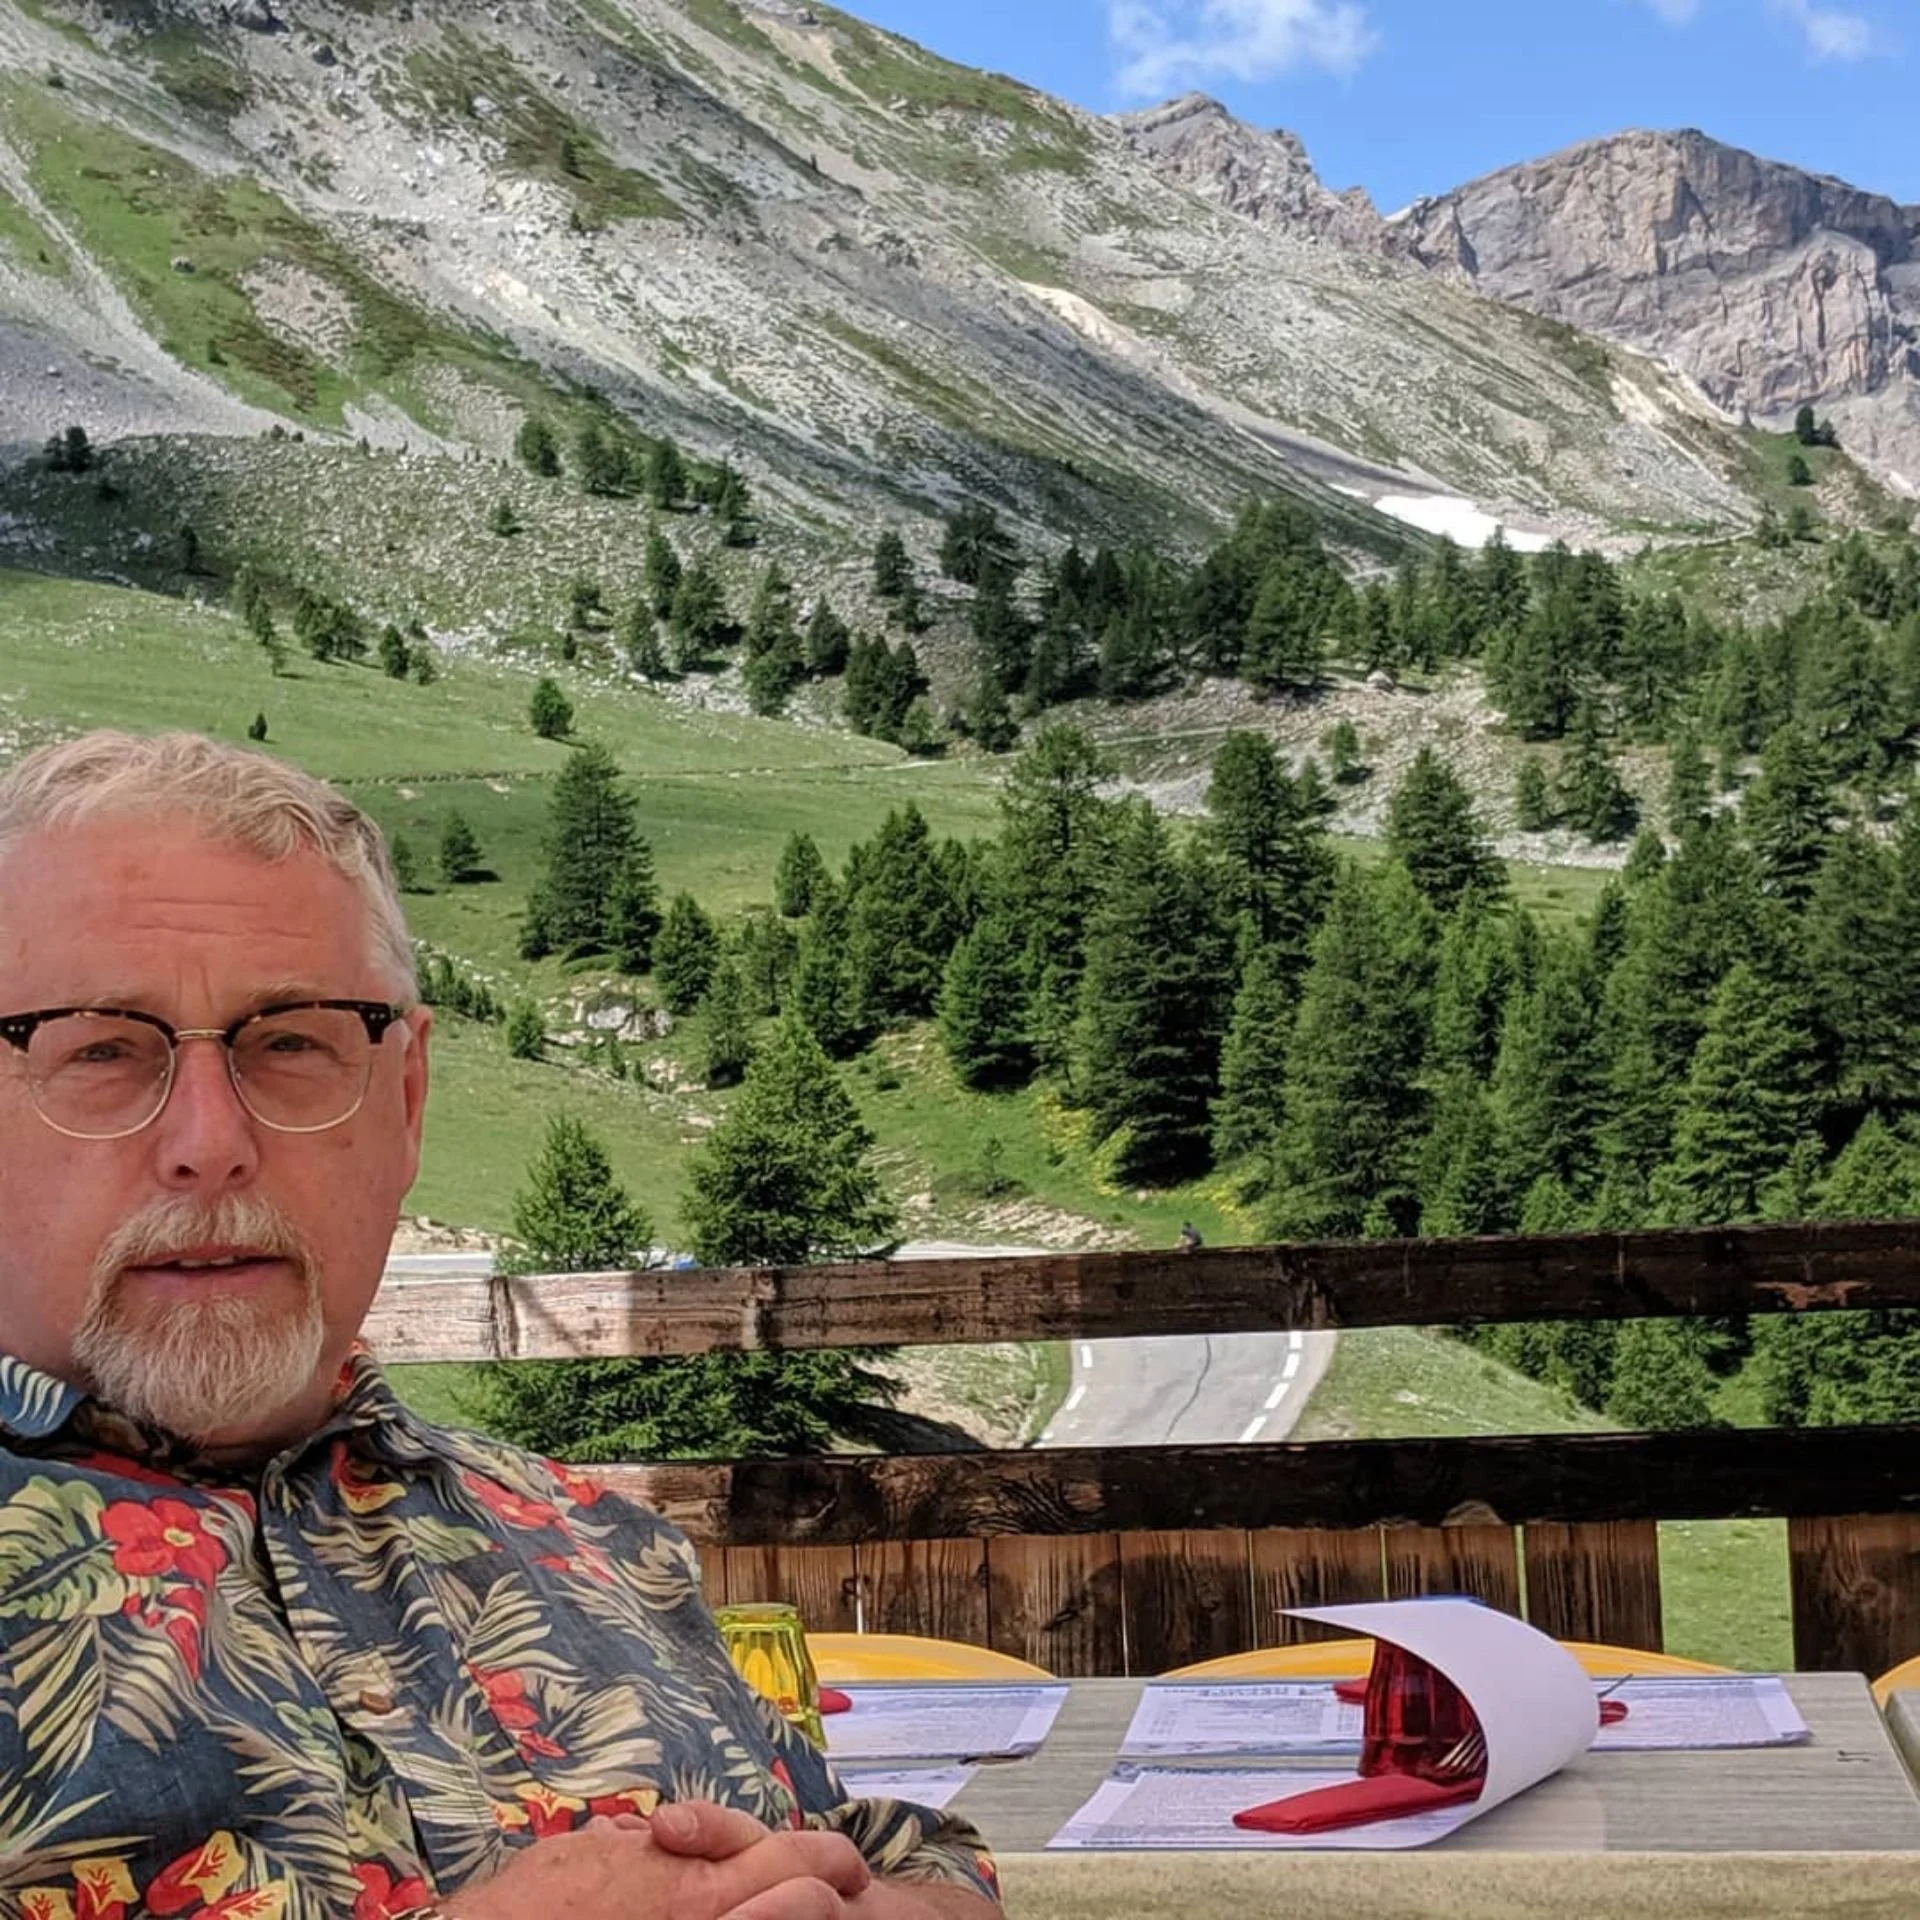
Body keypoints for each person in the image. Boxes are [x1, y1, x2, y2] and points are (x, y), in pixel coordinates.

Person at [0, 731, 1002, 1920]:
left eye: (292, 1044)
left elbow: (882, 1846)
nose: (210, 1140)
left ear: (407, 1099)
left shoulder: (597, 1544)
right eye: (104, 1051)